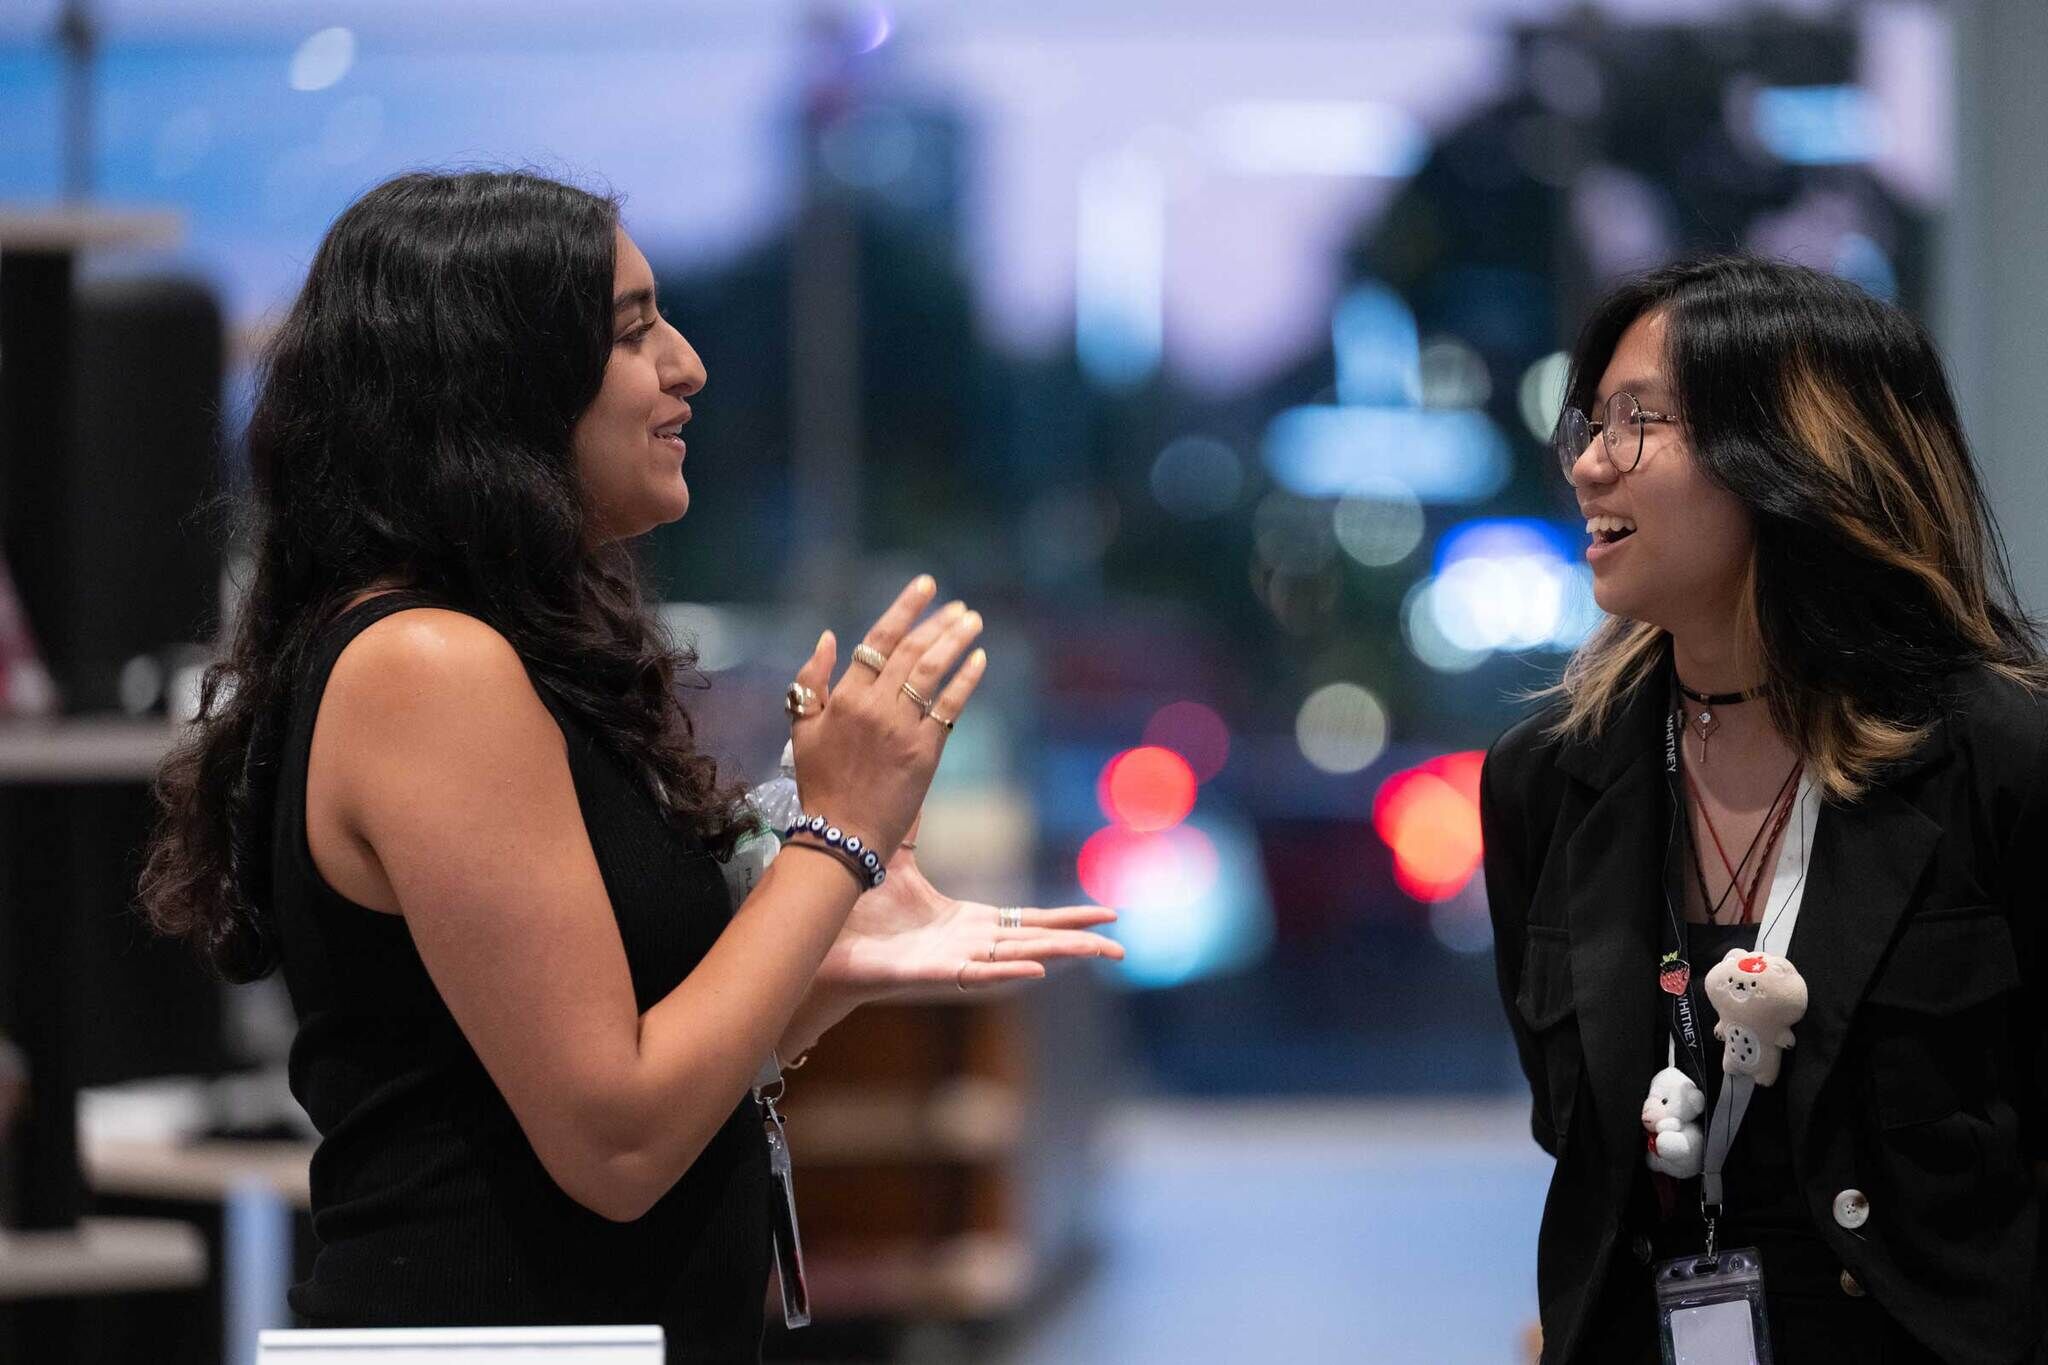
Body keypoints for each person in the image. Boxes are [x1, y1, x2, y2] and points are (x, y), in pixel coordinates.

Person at [139, 169, 1122, 1361]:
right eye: (629, 331)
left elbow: (580, 1067)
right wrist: (835, 839)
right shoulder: (428, 666)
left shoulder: (485, 654)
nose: (686, 365)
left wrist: (826, 951)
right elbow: (613, 1142)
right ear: (495, 382)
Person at [1481, 255, 2047, 1363]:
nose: (1590, 466)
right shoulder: (1545, 779)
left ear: (1795, 453)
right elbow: (1582, 1153)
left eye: (1638, 421)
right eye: (1588, 424)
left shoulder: (2002, 760)